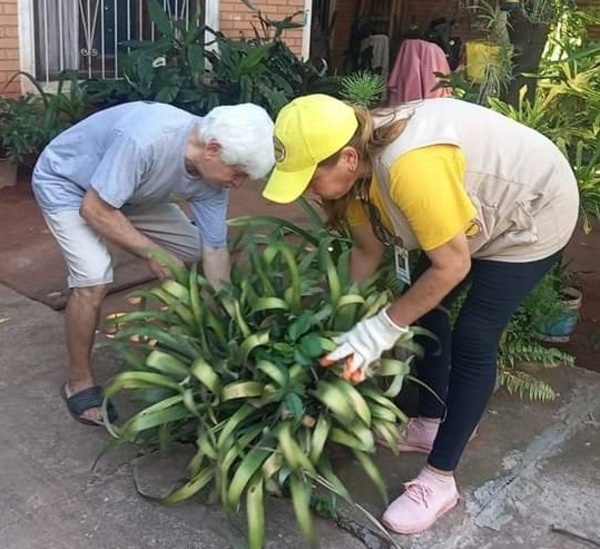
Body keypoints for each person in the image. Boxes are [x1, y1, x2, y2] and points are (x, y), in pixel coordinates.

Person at [262, 94, 579, 534]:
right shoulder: (359, 167)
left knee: (474, 335)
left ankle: (440, 479)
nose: (307, 191)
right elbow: (368, 250)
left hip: (531, 210)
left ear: (347, 158)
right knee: (425, 307)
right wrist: (340, 319)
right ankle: (429, 423)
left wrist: (380, 330)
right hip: (473, 214)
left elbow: (452, 266)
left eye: (309, 178)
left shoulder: (410, 166)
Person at [32, 100, 275, 427]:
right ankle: (78, 381)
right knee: (94, 276)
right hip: (71, 184)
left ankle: (124, 237)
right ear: (212, 149)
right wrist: (152, 252)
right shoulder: (146, 139)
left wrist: (227, 323)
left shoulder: (214, 173)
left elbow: (214, 249)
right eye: (238, 173)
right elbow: (95, 209)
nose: (238, 183)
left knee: (193, 247)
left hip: (129, 194)